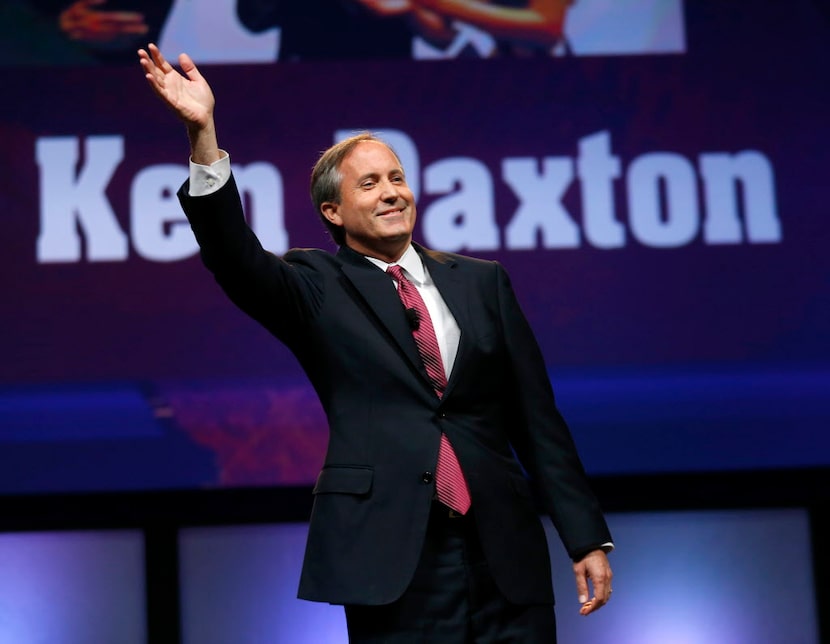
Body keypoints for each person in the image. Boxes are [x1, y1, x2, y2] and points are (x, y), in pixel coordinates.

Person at [138, 43, 613, 642]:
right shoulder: (315, 286)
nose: (392, 192)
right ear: (333, 211)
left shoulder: (482, 282)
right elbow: (233, 257)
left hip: (504, 550)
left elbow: (537, 420)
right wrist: (202, 134)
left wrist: (584, 534)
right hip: (394, 557)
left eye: (397, 178)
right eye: (371, 184)